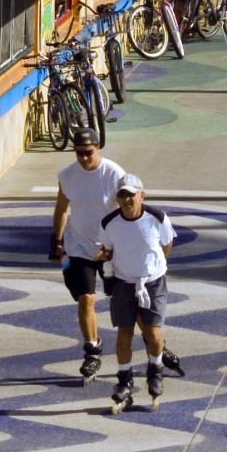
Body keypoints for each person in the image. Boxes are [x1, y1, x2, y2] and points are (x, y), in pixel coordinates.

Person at [93, 173, 183, 411]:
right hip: (123, 283)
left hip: (152, 282)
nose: (126, 200)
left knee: (152, 333)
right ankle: (124, 380)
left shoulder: (157, 218)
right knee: (124, 333)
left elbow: (167, 243)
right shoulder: (108, 223)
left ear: (141, 196)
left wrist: (155, 267)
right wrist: (104, 259)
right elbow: (108, 251)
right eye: (122, 195)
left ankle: (155, 371)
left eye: (131, 195)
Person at [50, 135, 125, 379]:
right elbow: (62, 209)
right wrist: (57, 241)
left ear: (98, 147)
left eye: (88, 152)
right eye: (79, 152)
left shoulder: (114, 174)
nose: (83, 158)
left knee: (127, 298)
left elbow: (129, 208)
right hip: (79, 247)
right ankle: (92, 349)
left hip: (110, 248)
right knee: (86, 298)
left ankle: (154, 341)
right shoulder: (67, 175)